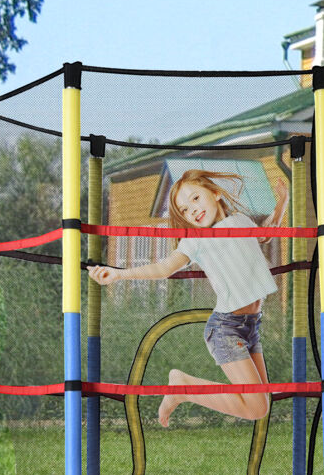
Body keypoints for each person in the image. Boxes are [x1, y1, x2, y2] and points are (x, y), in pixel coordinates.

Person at [88, 169, 288, 427]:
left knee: (260, 405)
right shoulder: (197, 240)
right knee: (256, 406)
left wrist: (282, 201)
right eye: (184, 209)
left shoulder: (241, 221)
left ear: (215, 193)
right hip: (226, 329)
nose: (192, 210)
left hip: (251, 326)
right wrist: (118, 274)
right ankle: (183, 387)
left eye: (195, 199)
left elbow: (267, 232)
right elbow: (163, 268)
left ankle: (184, 388)